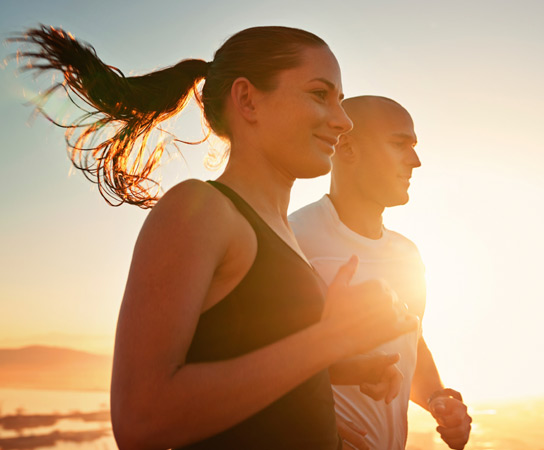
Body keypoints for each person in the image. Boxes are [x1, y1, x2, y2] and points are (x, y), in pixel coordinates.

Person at [15, 26, 418, 449]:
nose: (343, 120)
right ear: (247, 99)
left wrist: (346, 368)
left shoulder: (283, 231)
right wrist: (330, 339)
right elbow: (141, 417)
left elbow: (241, 355)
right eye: (321, 95)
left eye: (340, 99)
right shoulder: (200, 209)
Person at [290, 96, 472, 450]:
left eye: (414, 147)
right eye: (399, 144)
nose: (416, 161)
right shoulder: (293, 238)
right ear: (347, 147)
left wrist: (438, 398)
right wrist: (313, 424)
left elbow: (411, 342)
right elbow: (260, 363)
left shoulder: (407, 254)